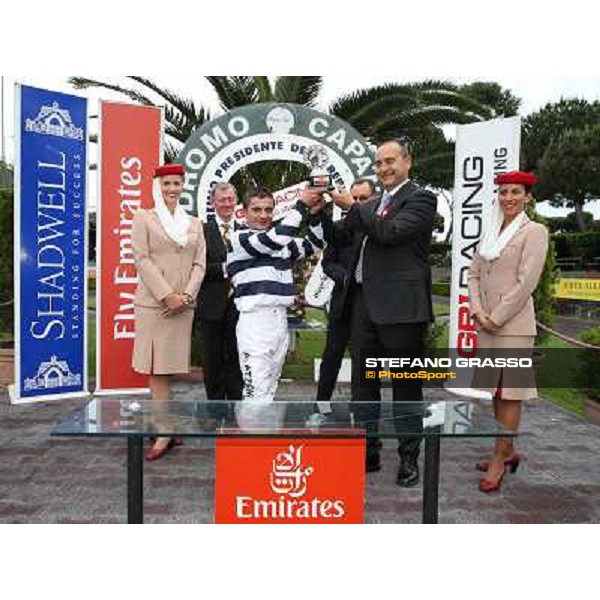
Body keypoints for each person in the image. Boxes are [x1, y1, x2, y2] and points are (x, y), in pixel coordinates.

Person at [330, 139, 437, 487]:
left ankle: (409, 458)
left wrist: (355, 207)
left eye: (389, 161)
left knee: (406, 388)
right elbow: (340, 235)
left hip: (403, 310)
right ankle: (368, 451)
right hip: (362, 305)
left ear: (408, 161)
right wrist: (316, 209)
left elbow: (390, 233)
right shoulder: (373, 204)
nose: (384, 168)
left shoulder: (421, 198)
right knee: (363, 387)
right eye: (378, 164)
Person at [468, 171, 548, 493]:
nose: (508, 198)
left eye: (516, 192)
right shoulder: (491, 231)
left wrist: (496, 317)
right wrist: (477, 311)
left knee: (510, 393)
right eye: (503, 192)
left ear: (527, 196)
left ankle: (500, 460)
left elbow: (526, 282)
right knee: (495, 391)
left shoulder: (534, 231)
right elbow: (473, 275)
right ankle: (507, 450)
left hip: (512, 327)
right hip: (486, 323)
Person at [131, 163, 206, 461]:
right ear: (157, 187)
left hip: (183, 306)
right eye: (166, 184)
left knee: (168, 367)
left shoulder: (194, 223)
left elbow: (200, 263)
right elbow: (141, 258)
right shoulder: (143, 217)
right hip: (154, 305)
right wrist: (167, 295)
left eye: (177, 183)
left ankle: (168, 427)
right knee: (156, 368)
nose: (172, 189)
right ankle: (164, 429)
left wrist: (185, 296)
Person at [226, 185, 325, 404]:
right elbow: (273, 241)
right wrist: (301, 206)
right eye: (257, 209)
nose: (264, 215)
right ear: (243, 212)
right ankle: (252, 437)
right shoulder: (239, 238)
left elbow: (315, 244)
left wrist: (316, 214)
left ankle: (264, 436)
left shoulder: (281, 241)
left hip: (279, 320)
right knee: (256, 391)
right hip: (254, 322)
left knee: (270, 388)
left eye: (269, 210)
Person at [316, 179, 376, 406]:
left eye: (363, 198)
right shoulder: (341, 227)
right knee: (331, 357)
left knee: (364, 362)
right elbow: (327, 262)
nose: (358, 203)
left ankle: (360, 412)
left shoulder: (378, 228)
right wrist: (343, 276)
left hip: (370, 307)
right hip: (342, 303)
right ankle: (320, 405)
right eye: (355, 198)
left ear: (374, 198)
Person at [196, 183, 243, 415]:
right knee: (212, 359)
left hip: (241, 306)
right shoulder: (202, 231)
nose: (227, 204)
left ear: (236, 201)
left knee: (236, 356)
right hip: (211, 305)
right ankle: (215, 409)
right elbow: (196, 268)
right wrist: (227, 268)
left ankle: (236, 406)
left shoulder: (245, 230)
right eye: (222, 200)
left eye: (230, 199)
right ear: (213, 203)